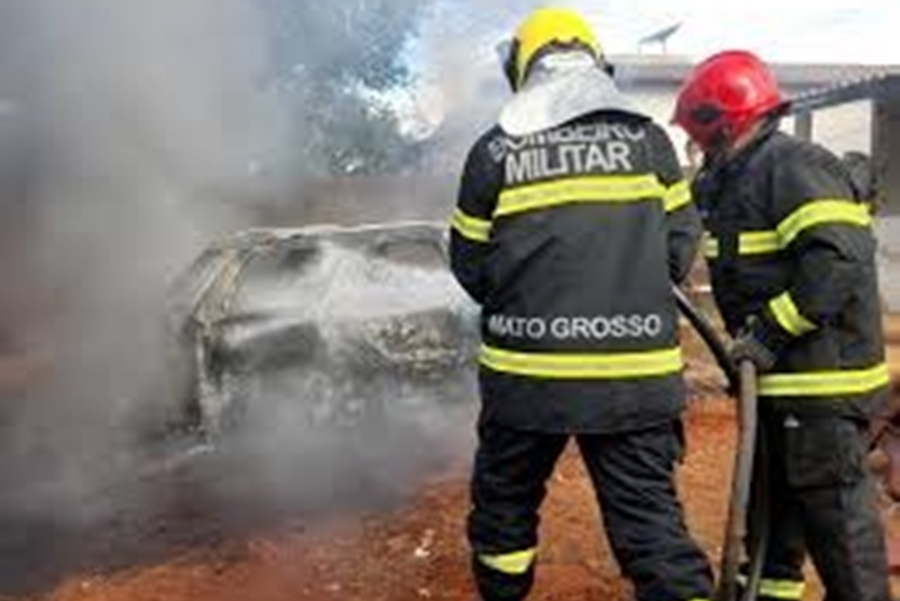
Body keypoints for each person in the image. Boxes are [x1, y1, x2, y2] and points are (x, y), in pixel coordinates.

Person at [448, 7, 713, 601]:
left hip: (527, 382)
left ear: (521, 67)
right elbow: (678, 247)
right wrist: (626, 296)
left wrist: (527, 302)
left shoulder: (491, 153)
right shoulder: (650, 143)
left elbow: (468, 264)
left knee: (505, 516)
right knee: (651, 529)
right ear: (597, 63)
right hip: (634, 380)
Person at [673, 49, 891, 601]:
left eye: (699, 134)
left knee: (841, 536)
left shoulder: (794, 165)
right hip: (779, 391)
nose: (697, 149)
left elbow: (838, 259)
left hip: (821, 393)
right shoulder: (734, 179)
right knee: (774, 534)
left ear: (721, 123)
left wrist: (767, 335)